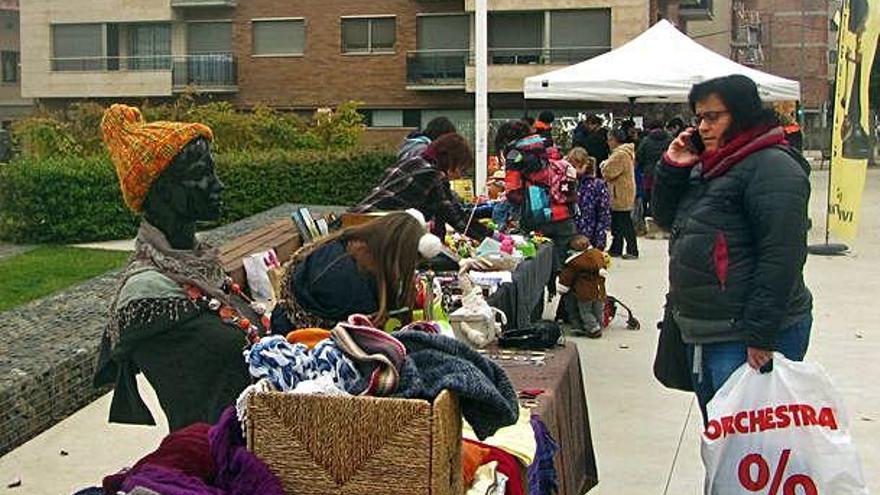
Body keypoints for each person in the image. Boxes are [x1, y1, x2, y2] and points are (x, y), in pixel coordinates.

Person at [652, 74, 813, 422]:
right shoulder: (709, 164)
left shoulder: (773, 167)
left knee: (750, 450)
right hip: (704, 327)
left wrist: (761, 334)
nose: (703, 127)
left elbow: (781, 258)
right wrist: (673, 168)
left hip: (743, 333)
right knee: (721, 442)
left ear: (741, 115)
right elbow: (665, 218)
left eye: (713, 117)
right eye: (699, 118)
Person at [94, 104, 258, 431]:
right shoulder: (147, 295)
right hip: (214, 459)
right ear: (162, 189)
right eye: (201, 173)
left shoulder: (200, 268)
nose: (218, 185)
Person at [270, 211, 442, 334]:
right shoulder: (357, 285)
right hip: (302, 343)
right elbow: (359, 340)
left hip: (285, 323)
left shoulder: (343, 245)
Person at [352, 132, 491, 241]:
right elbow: (456, 218)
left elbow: (454, 210)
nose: (459, 176)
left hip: (358, 219)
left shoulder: (415, 163)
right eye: (461, 169)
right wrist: (493, 239)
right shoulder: (431, 175)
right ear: (450, 160)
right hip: (372, 228)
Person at [495, 120, 577, 267]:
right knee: (567, 262)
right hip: (565, 213)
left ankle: (550, 289)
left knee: (539, 264)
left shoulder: (515, 153)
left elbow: (513, 191)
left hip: (537, 216)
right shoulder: (547, 146)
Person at [556, 235, 608, 338]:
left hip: (584, 293)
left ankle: (593, 328)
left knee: (585, 311)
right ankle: (599, 323)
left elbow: (566, 279)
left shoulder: (573, 263)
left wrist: (562, 288)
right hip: (599, 290)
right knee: (598, 309)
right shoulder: (598, 257)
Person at [601, 128, 639, 259]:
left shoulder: (620, 154)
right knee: (618, 222)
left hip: (620, 192)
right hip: (622, 190)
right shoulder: (624, 152)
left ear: (615, 140)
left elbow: (609, 172)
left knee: (624, 221)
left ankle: (632, 249)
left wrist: (603, 165)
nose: (608, 142)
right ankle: (616, 248)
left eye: (610, 139)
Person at [567, 147, 611, 251]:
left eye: (579, 165)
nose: (576, 170)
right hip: (570, 234)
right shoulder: (565, 183)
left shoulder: (597, 185)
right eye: (573, 166)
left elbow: (604, 212)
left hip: (592, 236)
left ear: (586, 164)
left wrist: (600, 239)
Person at [635, 120, 673, 219]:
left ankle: (647, 217)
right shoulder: (670, 139)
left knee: (647, 196)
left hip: (649, 173)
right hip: (666, 172)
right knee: (664, 196)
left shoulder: (646, 140)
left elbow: (639, 157)